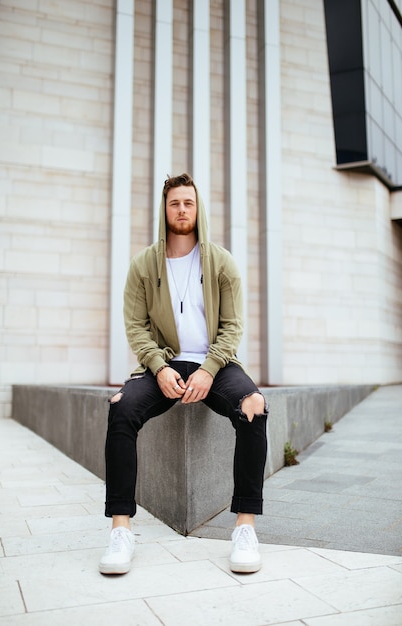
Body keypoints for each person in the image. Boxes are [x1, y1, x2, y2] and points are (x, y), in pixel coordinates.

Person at [99, 173, 269, 575]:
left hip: (217, 363)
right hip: (163, 363)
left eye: (188, 203)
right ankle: (120, 529)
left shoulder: (221, 262)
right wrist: (157, 367)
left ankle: (245, 527)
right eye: (175, 203)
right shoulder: (143, 265)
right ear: (165, 208)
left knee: (254, 406)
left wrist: (210, 369)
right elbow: (136, 327)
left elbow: (233, 326)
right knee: (121, 409)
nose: (181, 210)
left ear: (198, 208)